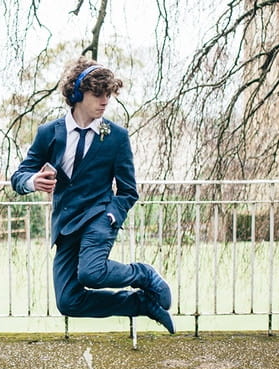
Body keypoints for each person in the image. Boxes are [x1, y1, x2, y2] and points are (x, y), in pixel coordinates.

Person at [11, 57, 174, 334]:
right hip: (66, 225)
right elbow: (18, 177)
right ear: (77, 93)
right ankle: (140, 305)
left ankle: (143, 274)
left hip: (99, 218)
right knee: (68, 302)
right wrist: (32, 180)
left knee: (91, 272)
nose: (104, 101)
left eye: (108, 95)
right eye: (98, 94)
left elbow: (128, 190)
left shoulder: (116, 137)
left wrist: (112, 215)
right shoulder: (49, 133)